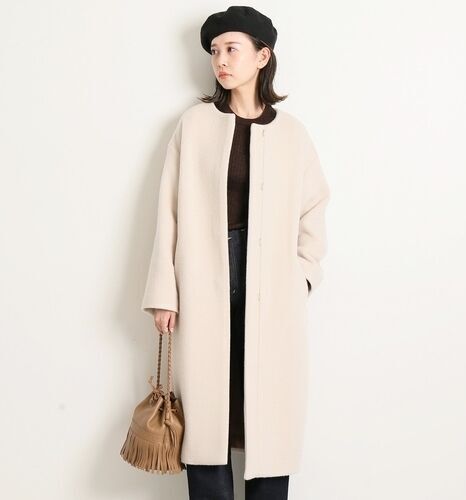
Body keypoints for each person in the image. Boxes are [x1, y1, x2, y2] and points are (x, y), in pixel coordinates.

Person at [141, 6, 330, 500]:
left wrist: (301, 276)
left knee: (269, 412)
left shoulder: (292, 134)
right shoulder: (194, 125)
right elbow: (168, 211)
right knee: (207, 414)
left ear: (262, 56)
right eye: (214, 51)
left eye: (231, 49)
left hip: (273, 284)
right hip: (204, 278)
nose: (220, 60)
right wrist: (164, 292)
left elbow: (314, 209)